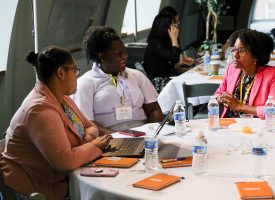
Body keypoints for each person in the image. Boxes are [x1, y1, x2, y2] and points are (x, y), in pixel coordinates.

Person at [0, 46, 112, 200]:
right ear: (61, 73)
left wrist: (80, 147)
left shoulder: (61, 97)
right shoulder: (40, 110)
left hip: (56, 179)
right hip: (35, 188)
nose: (76, 76)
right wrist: (93, 146)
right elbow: (65, 161)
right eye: (75, 70)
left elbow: (91, 127)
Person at [72, 26, 164, 133]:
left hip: (144, 135)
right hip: (111, 140)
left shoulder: (136, 76)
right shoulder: (86, 83)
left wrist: (153, 133)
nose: (125, 56)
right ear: (101, 57)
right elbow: (86, 123)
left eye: (124, 51)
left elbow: (154, 109)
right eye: (117, 54)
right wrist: (119, 137)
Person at [215, 29, 275, 119]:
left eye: (241, 51)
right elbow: (217, 94)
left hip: (254, 128)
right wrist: (220, 98)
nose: (235, 55)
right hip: (229, 125)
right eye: (234, 49)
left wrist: (239, 107)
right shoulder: (231, 69)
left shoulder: (273, 74)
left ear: (256, 56)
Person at [143, 12, 194, 93]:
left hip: (166, 78)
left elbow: (169, 66)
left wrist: (183, 65)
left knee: (192, 80)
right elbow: (174, 58)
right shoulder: (155, 43)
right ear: (165, 27)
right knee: (191, 88)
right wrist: (174, 39)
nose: (176, 27)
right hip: (158, 82)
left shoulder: (164, 42)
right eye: (174, 25)